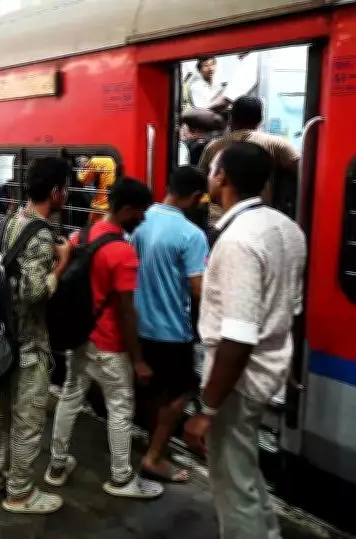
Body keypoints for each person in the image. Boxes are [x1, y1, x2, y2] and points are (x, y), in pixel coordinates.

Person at [184, 142, 306, 539]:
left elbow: (237, 337)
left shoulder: (238, 240)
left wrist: (207, 409)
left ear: (223, 179)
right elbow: (291, 307)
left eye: (213, 170)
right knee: (244, 467)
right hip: (267, 371)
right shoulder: (288, 229)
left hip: (237, 382)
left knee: (231, 483)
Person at [46, 178, 164, 500]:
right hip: (109, 345)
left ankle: (56, 466)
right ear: (126, 210)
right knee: (121, 408)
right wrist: (138, 360)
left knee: (70, 397)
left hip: (80, 336)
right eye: (140, 213)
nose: (142, 219)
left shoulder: (81, 235)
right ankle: (121, 477)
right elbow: (127, 311)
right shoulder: (122, 253)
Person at [0, 157, 72, 515]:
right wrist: (61, 263)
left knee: (3, 411)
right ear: (57, 191)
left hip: (0, 341)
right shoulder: (42, 235)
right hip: (28, 343)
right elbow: (32, 293)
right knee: (28, 419)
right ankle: (20, 492)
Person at [130, 166, 209, 483]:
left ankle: (154, 441)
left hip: (139, 325)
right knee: (183, 390)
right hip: (172, 330)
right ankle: (155, 456)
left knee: (153, 390)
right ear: (194, 198)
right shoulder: (192, 235)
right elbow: (198, 289)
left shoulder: (140, 222)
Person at [199, 96, 301, 224]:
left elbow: (200, 185)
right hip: (257, 220)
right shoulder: (275, 144)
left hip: (218, 220)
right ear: (260, 119)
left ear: (232, 118)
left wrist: (203, 206)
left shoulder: (213, 147)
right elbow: (302, 168)